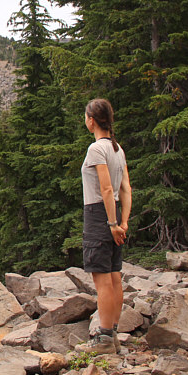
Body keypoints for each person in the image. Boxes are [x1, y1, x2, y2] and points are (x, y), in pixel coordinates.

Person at [74, 98, 132, 355]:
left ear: (91, 120)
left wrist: (110, 224)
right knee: (114, 276)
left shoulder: (96, 149)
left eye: (85, 116)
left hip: (99, 216)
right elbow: (126, 190)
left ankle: (105, 339)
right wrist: (123, 222)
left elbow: (107, 188)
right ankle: (113, 332)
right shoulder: (118, 150)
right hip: (115, 215)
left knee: (103, 281)